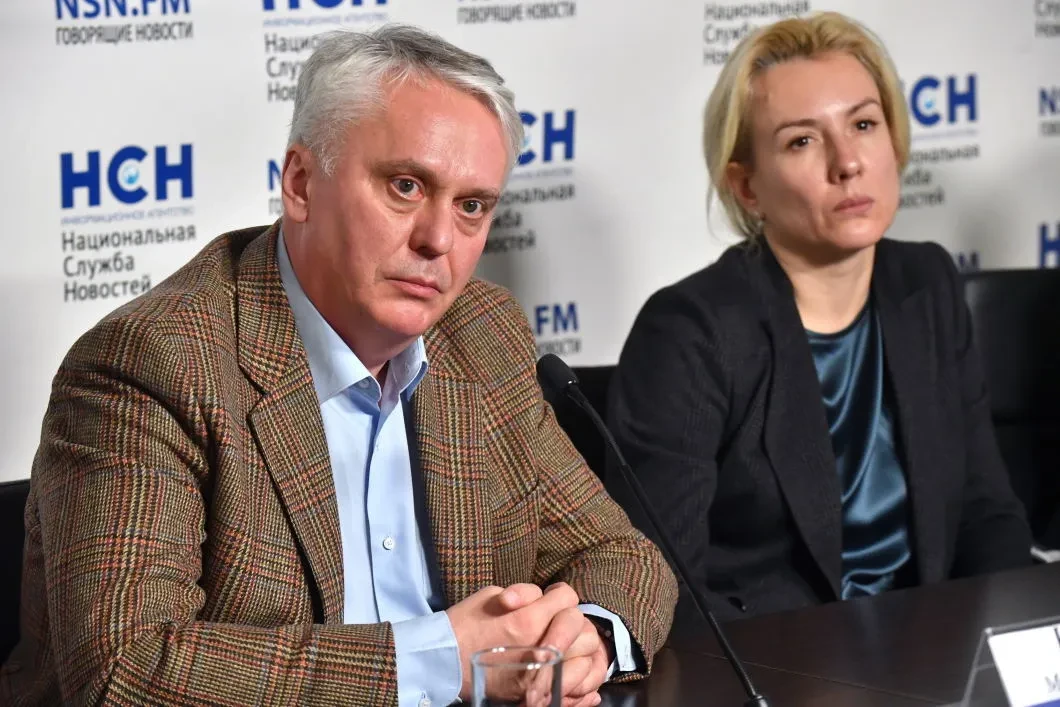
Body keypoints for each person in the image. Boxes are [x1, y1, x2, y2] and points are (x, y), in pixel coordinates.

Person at [2, 25, 676, 706]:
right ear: (301, 183)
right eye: (405, 186)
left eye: (471, 206)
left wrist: (585, 638)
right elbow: (125, 669)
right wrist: (443, 659)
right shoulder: (156, 361)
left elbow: (622, 556)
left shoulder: (481, 332)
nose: (438, 239)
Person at [607, 11, 1031, 622]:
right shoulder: (689, 333)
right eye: (802, 141)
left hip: (936, 650)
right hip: (774, 661)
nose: (847, 162)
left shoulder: (928, 283)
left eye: (864, 124)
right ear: (747, 187)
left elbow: (986, 512)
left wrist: (1014, 644)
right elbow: (661, 586)